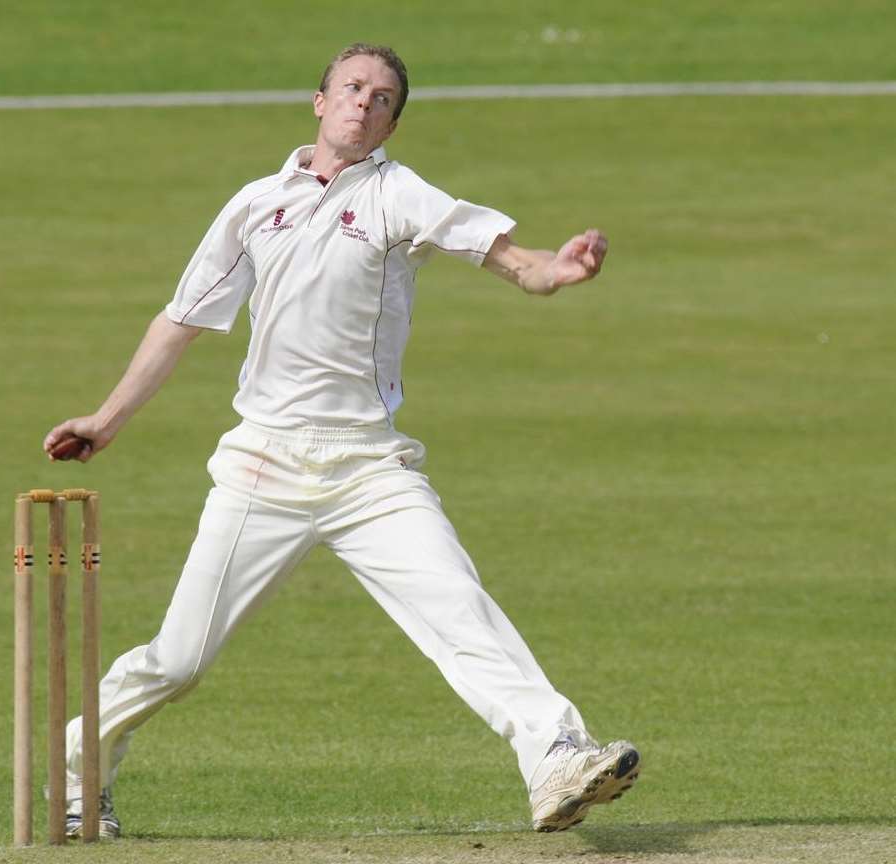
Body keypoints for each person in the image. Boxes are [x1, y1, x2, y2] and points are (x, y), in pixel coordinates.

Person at [42, 43, 639, 839]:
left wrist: (552, 273)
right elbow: (183, 320)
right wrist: (104, 420)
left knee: (459, 609)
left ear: (392, 120)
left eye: (384, 97)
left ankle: (558, 757)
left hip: (368, 470)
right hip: (264, 464)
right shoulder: (255, 204)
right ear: (319, 102)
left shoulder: (400, 195)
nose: (366, 103)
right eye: (353, 88)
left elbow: (504, 257)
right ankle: (79, 765)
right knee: (180, 659)